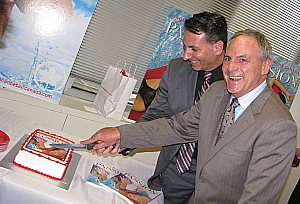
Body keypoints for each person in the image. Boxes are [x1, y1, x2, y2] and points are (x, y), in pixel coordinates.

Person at [81, 29, 297, 203]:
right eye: (229, 59)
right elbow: (177, 128)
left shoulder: (278, 126)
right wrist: (119, 134)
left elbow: (256, 199)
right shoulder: (217, 92)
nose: (231, 67)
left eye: (243, 60)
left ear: (265, 66)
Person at [126, 11, 227, 203]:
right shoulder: (176, 69)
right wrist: (123, 138)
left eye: (194, 49)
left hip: (217, 179)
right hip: (177, 168)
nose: (186, 55)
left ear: (218, 47)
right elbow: (156, 114)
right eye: (184, 47)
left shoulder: (238, 81)